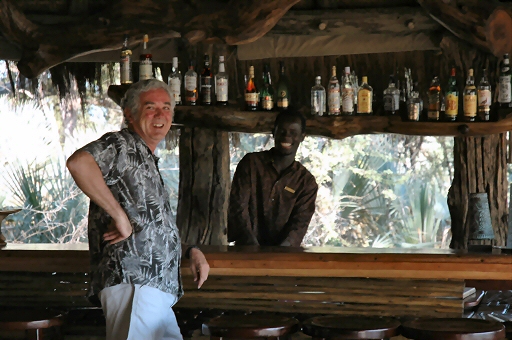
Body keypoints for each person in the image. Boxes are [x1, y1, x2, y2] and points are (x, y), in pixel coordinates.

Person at [66, 79, 209, 340]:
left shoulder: (146, 157)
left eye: (166, 108)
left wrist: (189, 250)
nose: (160, 115)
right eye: (150, 107)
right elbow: (79, 163)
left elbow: (151, 226)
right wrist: (119, 216)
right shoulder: (122, 145)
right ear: (129, 114)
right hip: (134, 283)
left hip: (154, 288)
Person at [228, 110, 318, 247]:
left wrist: (277, 258)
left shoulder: (306, 182)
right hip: (246, 252)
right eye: (282, 131)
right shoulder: (251, 164)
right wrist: (252, 249)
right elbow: (238, 208)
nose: (286, 136)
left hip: (282, 258)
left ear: (302, 137)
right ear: (273, 132)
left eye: (293, 132)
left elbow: (298, 226)